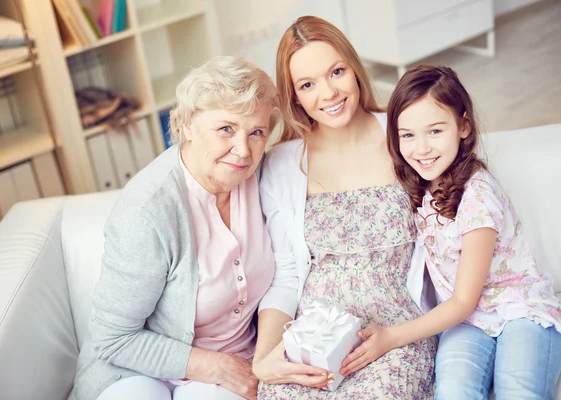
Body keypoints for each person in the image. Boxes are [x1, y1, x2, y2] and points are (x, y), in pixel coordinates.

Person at [70, 56, 281, 400]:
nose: (243, 150)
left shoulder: (263, 177)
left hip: (237, 364)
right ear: (185, 126)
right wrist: (217, 367)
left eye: (256, 132)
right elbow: (115, 339)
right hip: (133, 369)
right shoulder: (147, 212)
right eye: (226, 129)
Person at [252, 16, 436, 399]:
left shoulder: (403, 135)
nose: (329, 93)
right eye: (307, 84)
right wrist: (265, 359)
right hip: (315, 335)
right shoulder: (283, 163)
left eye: (336, 71)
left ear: (354, 69)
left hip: (391, 334)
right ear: (295, 97)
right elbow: (285, 273)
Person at [366, 64, 561, 399]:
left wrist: (392, 336)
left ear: (464, 127)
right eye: (408, 135)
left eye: (435, 131)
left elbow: (463, 300)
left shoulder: (478, 197)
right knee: (454, 391)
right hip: (467, 324)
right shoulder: (419, 186)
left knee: (519, 391)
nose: (422, 148)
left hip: (519, 311)